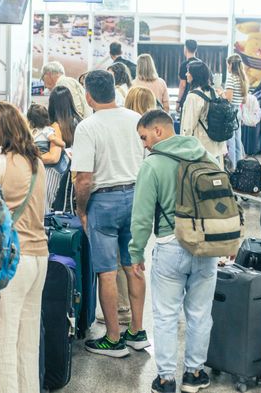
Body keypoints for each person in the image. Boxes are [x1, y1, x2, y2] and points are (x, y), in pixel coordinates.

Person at [130, 109, 217, 393]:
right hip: (206, 245)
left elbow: (141, 217)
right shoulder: (205, 155)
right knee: (200, 313)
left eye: (144, 137)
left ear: (158, 130)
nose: (145, 144)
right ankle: (194, 374)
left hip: (171, 246)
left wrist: (136, 253)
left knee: (166, 315)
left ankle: (166, 379)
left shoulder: (153, 165)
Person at [72, 69, 147, 357]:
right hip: (136, 197)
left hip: (103, 202)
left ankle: (113, 338)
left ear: (89, 96)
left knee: (107, 272)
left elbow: (84, 179)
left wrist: (81, 210)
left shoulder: (88, 127)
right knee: (134, 266)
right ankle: (137, 331)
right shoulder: (135, 119)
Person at [0, 101, 48, 393]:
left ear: (1, 129)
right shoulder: (36, 162)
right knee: (26, 348)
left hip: (7, 265)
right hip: (38, 258)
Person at [181, 61, 227, 166]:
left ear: (195, 75)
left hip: (201, 147)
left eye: (188, 72)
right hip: (216, 144)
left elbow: (188, 127)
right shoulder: (213, 92)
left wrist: (184, 148)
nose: (186, 74)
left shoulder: (193, 97)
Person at [224, 54, 248, 169]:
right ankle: (240, 167)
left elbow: (228, 98)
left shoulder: (231, 78)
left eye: (227, 64)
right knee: (238, 140)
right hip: (238, 110)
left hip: (231, 112)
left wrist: (221, 94)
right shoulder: (242, 78)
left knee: (231, 141)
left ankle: (232, 168)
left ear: (230, 65)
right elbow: (244, 100)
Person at [177, 39, 200, 112]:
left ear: (185, 48)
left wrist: (178, 101)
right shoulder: (201, 64)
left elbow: (183, 85)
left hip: (186, 99)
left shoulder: (184, 65)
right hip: (199, 99)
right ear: (196, 49)